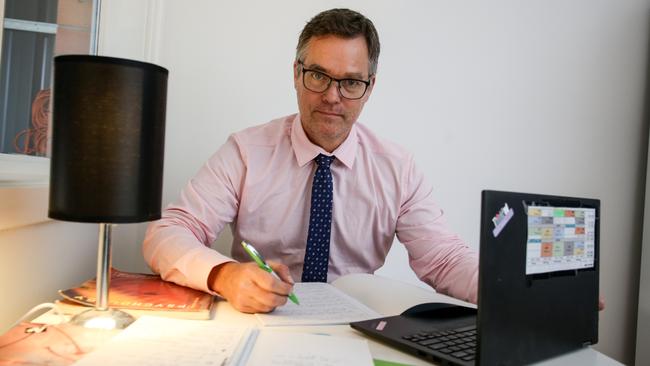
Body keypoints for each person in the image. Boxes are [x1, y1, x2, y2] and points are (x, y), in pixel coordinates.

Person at [143, 8, 479, 314]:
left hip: (354, 328)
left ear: (370, 87)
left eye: (350, 82)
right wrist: (225, 276)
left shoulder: (397, 169)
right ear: (296, 73)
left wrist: (507, 292)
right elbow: (167, 233)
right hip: (259, 321)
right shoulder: (246, 152)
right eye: (318, 75)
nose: (332, 97)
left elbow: (445, 260)